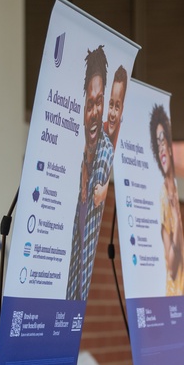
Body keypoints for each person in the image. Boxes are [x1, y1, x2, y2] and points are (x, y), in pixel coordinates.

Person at [66, 45, 114, 301]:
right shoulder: (81, 155)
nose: (94, 112)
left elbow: (103, 170)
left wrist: (101, 186)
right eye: (89, 104)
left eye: (99, 103)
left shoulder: (104, 152)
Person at [150, 104, 184, 296]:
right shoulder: (163, 196)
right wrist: (176, 217)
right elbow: (172, 266)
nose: (161, 149)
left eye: (162, 141)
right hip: (174, 295)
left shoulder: (175, 188)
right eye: (157, 146)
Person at [93, 66, 128, 207]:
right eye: (111, 105)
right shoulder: (103, 128)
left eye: (117, 107)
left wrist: (104, 190)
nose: (112, 113)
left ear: (122, 109)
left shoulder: (122, 137)